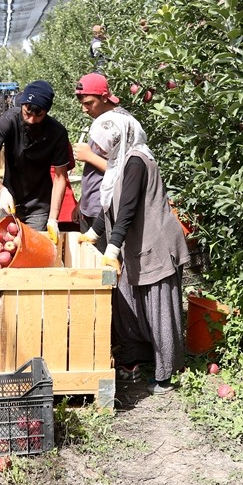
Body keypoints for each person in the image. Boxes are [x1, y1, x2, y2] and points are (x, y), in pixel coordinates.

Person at [79, 111, 190, 395]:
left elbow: (126, 207)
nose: (100, 149)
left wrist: (112, 247)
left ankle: (165, 374)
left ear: (118, 137)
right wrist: (92, 234)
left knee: (158, 308)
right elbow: (111, 205)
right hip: (135, 245)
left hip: (155, 243)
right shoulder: (119, 162)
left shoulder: (137, 161)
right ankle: (133, 362)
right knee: (128, 304)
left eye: (104, 143)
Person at [0, 80, 69, 239]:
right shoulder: (8, 121)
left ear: (46, 111)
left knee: (30, 252)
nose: (31, 120)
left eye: (38, 115)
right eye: (27, 113)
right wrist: (2, 190)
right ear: (22, 104)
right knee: (4, 248)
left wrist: (53, 219)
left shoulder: (57, 133)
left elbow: (60, 177)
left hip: (39, 206)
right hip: (10, 202)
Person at [72, 72, 129, 250]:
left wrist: (89, 156)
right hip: (90, 208)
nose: (84, 109)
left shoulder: (119, 123)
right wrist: (82, 202)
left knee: (105, 271)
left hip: (106, 211)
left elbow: (126, 172)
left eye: (89, 103)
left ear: (104, 98)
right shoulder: (102, 121)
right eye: (82, 104)